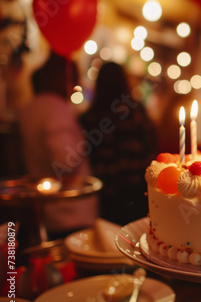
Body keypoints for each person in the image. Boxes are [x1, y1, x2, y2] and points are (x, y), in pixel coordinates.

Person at [18, 51, 98, 237]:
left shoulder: (30, 108)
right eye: (73, 76)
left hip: (48, 207)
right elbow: (65, 160)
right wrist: (87, 140)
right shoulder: (56, 109)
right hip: (70, 210)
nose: (75, 83)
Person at [80, 62, 158, 225]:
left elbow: (87, 155)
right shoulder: (137, 113)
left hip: (107, 194)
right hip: (139, 190)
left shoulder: (91, 117)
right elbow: (152, 144)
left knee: (110, 242)